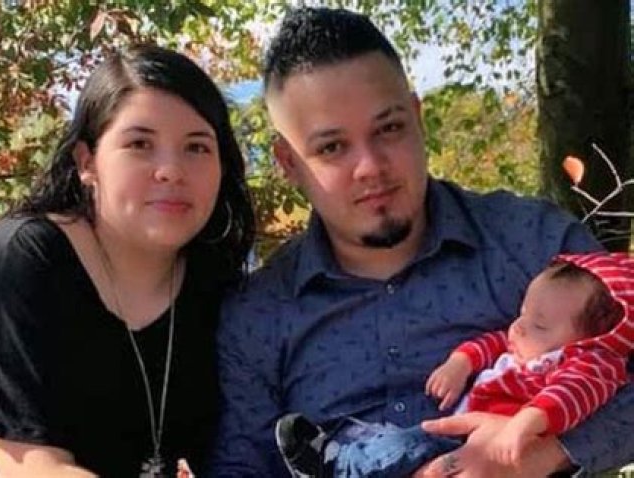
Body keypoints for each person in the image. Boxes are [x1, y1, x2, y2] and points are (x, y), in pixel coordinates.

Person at [211, 6, 634, 477]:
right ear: (289, 163)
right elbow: (239, 467)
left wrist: (537, 456)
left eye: (389, 128)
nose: (370, 166)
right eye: (332, 147)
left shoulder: (534, 242)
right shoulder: (258, 315)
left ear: (417, 118)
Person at [0, 44, 255, 477]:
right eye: (140, 144)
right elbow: (34, 470)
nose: (171, 170)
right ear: (86, 162)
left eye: (197, 147)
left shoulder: (220, 291)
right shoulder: (12, 264)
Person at [275, 252, 634, 477]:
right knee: (402, 442)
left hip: (482, 448)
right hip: (462, 437)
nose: (518, 327)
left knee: (406, 446)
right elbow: (492, 342)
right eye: (522, 312)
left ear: (592, 340)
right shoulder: (526, 343)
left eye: (539, 324)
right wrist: (459, 363)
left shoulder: (590, 364)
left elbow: (569, 395)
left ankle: (338, 467)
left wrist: (523, 426)